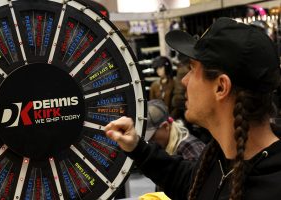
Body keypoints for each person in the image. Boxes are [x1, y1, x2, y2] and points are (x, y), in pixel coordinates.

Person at [105, 17, 281, 200]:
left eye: (192, 69)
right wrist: (137, 147)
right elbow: (189, 182)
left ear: (220, 87)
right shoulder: (216, 157)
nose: (184, 80)